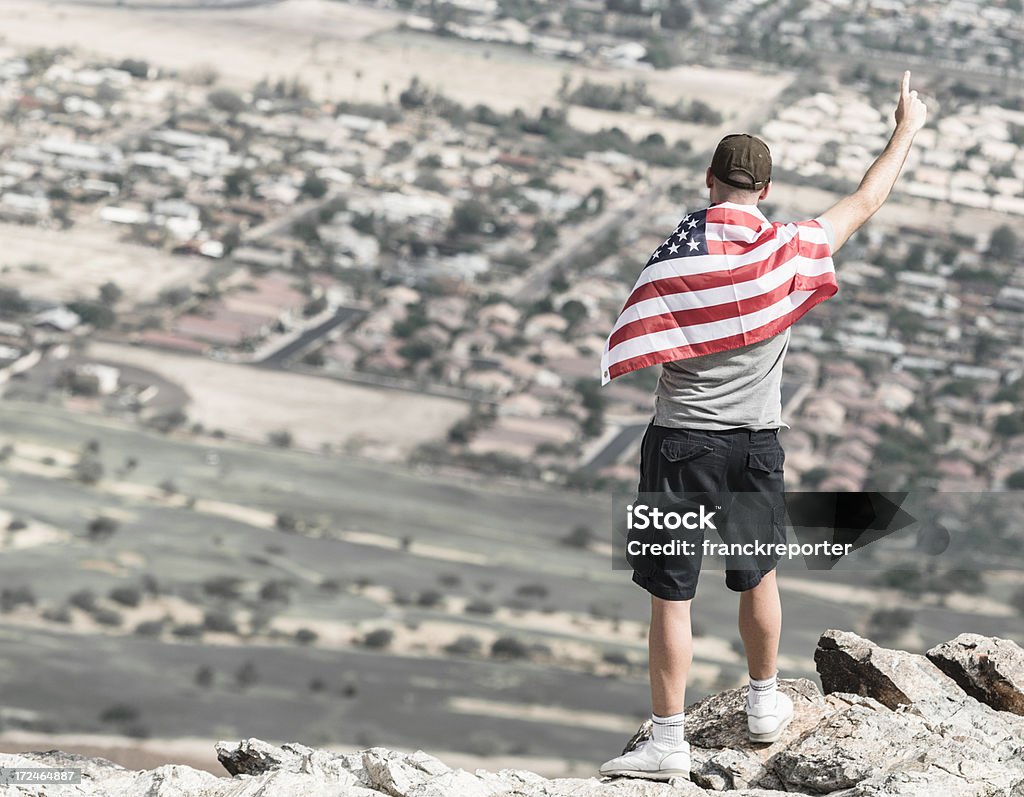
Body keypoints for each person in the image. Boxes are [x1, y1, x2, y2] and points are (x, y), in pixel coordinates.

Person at [599, 71, 928, 781]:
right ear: (766, 190)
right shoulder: (788, 251)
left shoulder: (678, 257)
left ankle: (666, 741)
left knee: (669, 591)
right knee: (758, 574)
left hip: (681, 442)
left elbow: (641, 324)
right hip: (757, 441)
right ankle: (764, 702)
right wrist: (906, 127)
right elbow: (870, 198)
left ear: (710, 179)